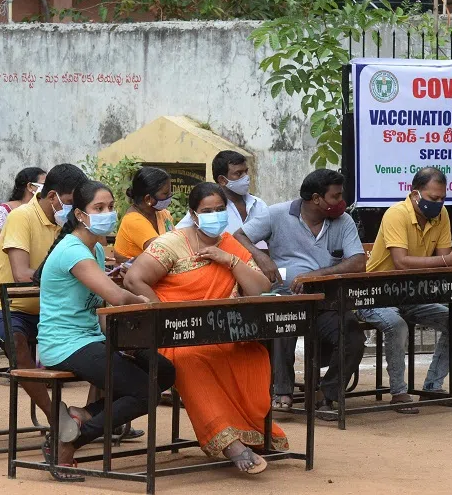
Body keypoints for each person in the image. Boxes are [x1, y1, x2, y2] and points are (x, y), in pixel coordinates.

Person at [125, 182, 285, 474]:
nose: (214, 215)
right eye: (207, 211)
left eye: (219, 210)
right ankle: (229, 443)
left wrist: (230, 260)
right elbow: (134, 280)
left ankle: (250, 432)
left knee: (252, 355)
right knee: (191, 361)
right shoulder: (172, 243)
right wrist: (166, 319)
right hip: (177, 337)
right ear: (193, 214)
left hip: (221, 334)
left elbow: (258, 289)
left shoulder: (228, 243)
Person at [37, 180, 174, 479]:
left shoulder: (95, 249)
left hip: (91, 338)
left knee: (163, 371)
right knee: (143, 392)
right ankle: (68, 443)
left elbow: (101, 309)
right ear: (80, 215)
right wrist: (147, 303)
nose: (107, 213)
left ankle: (82, 415)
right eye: (98, 208)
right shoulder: (72, 250)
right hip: (63, 344)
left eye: (110, 207)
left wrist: (120, 342)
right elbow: (116, 296)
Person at [235, 169, 366, 418]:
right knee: (282, 318)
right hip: (286, 298)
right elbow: (239, 237)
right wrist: (260, 255)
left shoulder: (343, 221)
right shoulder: (277, 214)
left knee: (352, 336)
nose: (341, 202)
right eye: (336, 196)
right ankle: (281, 391)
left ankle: (328, 393)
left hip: (325, 301)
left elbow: (358, 262)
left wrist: (318, 275)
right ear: (316, 198)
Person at [359, 166, 452, 413]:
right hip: (374, 294)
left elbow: (444, 259)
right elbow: (401, 262)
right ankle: (398, 393)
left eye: (442, 198)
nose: (438, 204)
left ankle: (432, 387)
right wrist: (449, 260)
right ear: (415, 194)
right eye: (433, 199)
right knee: (396, 325)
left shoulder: (442, 215)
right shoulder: (397, 214)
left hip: (411, 294)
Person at [0, 163, 88, 424]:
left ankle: (94, 416)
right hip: (5, 307)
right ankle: (55, 418)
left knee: (105, 337)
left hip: (50, 310)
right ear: (52, 197)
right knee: (16, 340)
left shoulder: (69, 225)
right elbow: (21, 274)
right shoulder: (21, 216)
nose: (73, 208)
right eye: (71, 202)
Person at [176, 151, 268, 247]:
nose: (246, 177)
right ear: (222, 180)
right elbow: (177, 235)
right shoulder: (208, 209)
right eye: (239, 173)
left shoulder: (258, 204)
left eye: (246, 172)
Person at [113, 166, 174, 262]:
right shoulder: (134, 221)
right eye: (166, 193)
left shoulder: (162, 214)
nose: (170, 196)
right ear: (148, 199)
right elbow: (162, 253)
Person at [0, 167, 46, 247]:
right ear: (30, 186)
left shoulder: (43, 210)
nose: (48, 189)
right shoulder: (3, 211)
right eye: (44, 185)